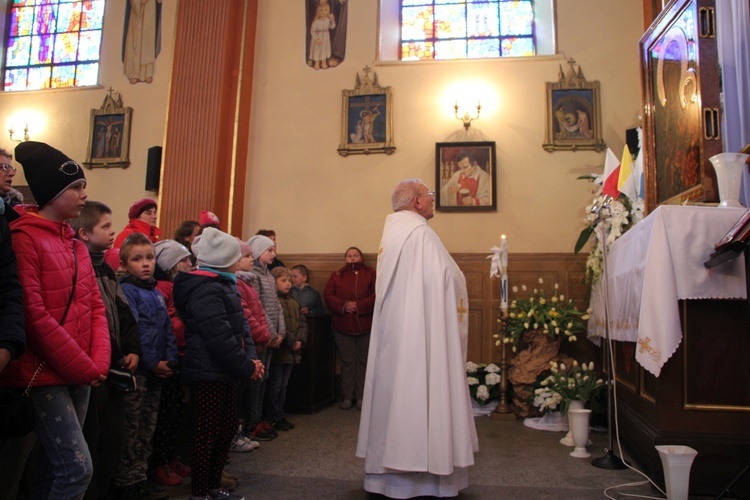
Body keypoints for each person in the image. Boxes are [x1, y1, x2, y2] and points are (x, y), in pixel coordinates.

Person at [0, 141, 111, 499]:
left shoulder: (76, 244)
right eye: (76, 187)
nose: (84, 194)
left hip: (80, 369)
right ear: (52, 193)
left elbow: (95, 305)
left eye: (83, 186)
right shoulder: (24, 238)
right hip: (45, 371)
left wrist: (97, 362)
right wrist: (85, 367)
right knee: (77, 468)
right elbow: (33, 315)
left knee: (53, 467)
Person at [356, 179, 478, 498]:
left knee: (396, 394)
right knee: (423, 390)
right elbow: (443, 279)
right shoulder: (421, 234)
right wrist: (459, 278)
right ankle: (425, 475)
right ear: (416, 202)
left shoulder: (392, 233)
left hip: (397, 334)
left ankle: (387, 475)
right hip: (422, 331)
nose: (433, 201)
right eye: (429, 195)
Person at [173, 228, 264, 500]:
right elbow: (219, 337)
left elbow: (238, 328)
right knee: (207, 434)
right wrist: (246, 366)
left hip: (225, 370)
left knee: (225, 431)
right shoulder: (207, 289)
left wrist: (248, 360)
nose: (240, 262)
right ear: (224, 260)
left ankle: (214, 487)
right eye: (236, 257)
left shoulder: (222, 284)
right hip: (209, 371)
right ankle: (200, 492)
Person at [70, 201, 143, 500]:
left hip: (113, 365)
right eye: (105, 227)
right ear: (85, 233)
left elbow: (123, 313)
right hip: (91, 366)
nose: (113, 232)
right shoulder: (79, 265)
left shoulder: (107, 271)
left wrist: (133, 348)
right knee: (93, 438)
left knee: (113, 437)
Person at [113, 232, 178, 500]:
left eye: (150, 258)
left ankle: (141, 476)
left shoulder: (157, 293)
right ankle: (126, 482)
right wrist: (153, 363)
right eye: (137, 259)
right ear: (125, 265)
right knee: (131, 427)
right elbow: (136, 332)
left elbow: (167, 329)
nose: (146, 264)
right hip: (139, 373)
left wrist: (171, 360)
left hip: (157, 372)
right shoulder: (128, 290)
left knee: (147, 428)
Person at [150, 240, 195, 486]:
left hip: (180, 358)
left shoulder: (177, 285)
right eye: (184, 260)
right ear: (170, 266)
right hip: (169, 358)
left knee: (176, 413)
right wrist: (191, 325)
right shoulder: (164, 288)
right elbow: (170, 325)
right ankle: (161, 462)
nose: (190, 263)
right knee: (166, 417)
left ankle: (171, 457)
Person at [243, 234, 286, 441]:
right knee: (257, 380)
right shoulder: (255, 277)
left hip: (271, 336)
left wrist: (281, 332)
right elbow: (258, 308)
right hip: (262, 337)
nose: (274, 254)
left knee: (265, 378)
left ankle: (259, 418)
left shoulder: (269, 276)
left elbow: (276, 306)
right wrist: (271, 334)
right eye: (270, 250)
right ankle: (251, 421)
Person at [324, 246, 376, 410]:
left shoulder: (371, 273)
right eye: (349, 256)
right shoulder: (337, 275)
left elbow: (377, 294)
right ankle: (347, 397)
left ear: (361, 257)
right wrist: (344, 305)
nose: (352, 258)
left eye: (355, 255)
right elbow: (328, 295)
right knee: (348, 362)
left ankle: (361, 397)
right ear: (345, 259)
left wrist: (359, 306)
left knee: (363, 362)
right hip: (343, 326)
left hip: (365, 325)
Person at [234, 239, 270, 451]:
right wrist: (263, 333)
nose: (251, 259)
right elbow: (246, 315)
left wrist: (266, 332)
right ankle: (242, 428)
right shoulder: (238, 283)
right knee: (241, 394)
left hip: (257, 338)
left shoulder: (247, 282)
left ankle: (246, 426)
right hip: (249, 341)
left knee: (256, 386)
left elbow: (260, 310)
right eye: (246, 256)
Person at [266, 267, 308, 431]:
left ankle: (279, 414)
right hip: (280, 350)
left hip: (292, 351)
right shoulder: (274, 302)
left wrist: (300, 340)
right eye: (284, 281)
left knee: (283, 385)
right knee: (275, 384)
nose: (288, 284)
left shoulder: (293, 301)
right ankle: (272, 415)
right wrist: (291, 341)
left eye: (290, 281)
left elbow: (302, 323)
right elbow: (279, 325)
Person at [123, 0, 162, 84]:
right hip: (137, 14)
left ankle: (147, 73)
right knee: (136, 42)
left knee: (148, 43)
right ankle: (135, 74)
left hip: (150, 10)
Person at [308, 0, 335, 70]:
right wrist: (316, 38)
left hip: (325, 38)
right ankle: (317, 62)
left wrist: (332, 21)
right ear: (318, 12)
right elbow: (312, 31)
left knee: (324, 49)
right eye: (321, 10)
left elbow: (332, 27)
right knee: (317, 50)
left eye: (325, 10)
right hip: (319, 38)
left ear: (328, 11)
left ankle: (323, 62)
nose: (323, 12)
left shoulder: (327, 20)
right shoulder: (316, 22)